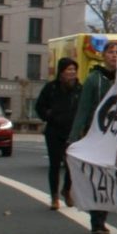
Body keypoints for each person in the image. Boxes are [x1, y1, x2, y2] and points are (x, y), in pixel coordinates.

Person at [69, 39, 117, 234]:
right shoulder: (95, 79)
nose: (114, 56)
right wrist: (75, 135)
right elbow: (83, 109)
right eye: (111, 52)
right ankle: (97, 218)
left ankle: (103, 215)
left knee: (113, 176)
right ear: (104, 56)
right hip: (96, 134)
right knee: (98, 176)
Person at [34, 58, 81, 210]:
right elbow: (39, 106)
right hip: (54, 131)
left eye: (74, 69)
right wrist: (49, 115)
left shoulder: (80, 89)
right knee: (55, 165)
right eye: (69, 69)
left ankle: (66, 190)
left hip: (72, 132)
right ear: (61, 72)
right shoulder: (51, 88)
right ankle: (54, 196)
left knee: (71, 165)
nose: (72, 72)